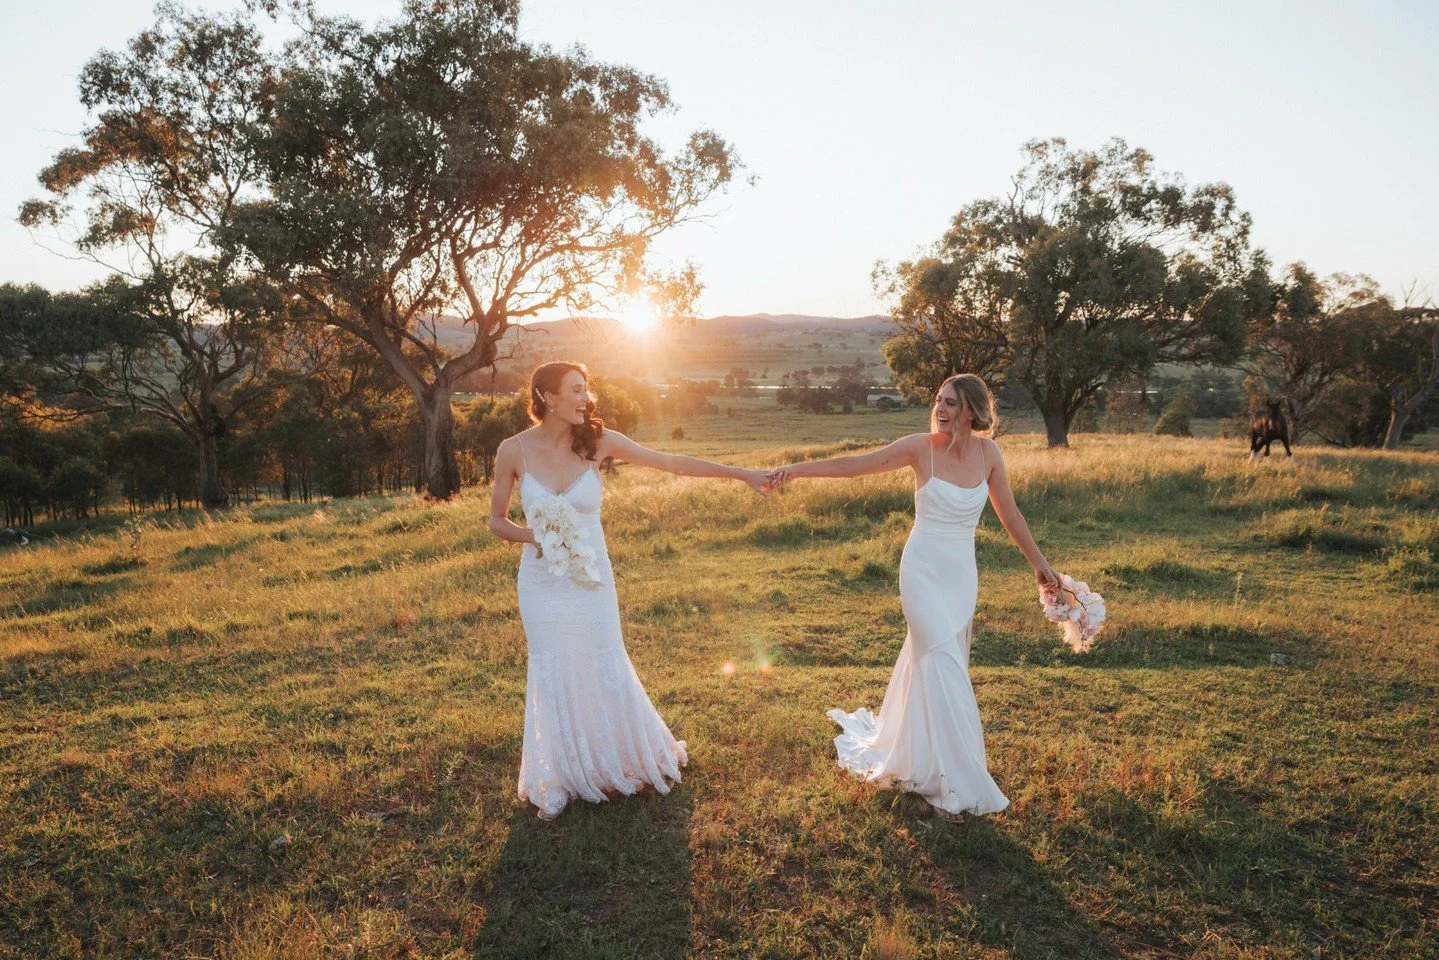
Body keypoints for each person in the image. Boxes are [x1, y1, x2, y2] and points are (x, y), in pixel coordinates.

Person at [766, 373, 1059, 820]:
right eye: (938, 401)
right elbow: (858, 464)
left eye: (951, 404)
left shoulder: (989, 454)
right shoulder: (919, 448)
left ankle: (918, 754)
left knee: (940, 665)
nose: (940, 409)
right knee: (943, 665)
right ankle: (954, 786)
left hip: (960, 576)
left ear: (973, 412)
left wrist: (1040, 565)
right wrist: (797, 471)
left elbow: (1011, 515)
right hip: (921, 571)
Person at [488, 361, 770, 820]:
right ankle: (562, 771)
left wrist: (743, 474)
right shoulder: (512, 450)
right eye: (576, 390)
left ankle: (614, 760)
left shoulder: (600, 442)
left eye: (587, 390)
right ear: (547, 398)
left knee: (602, 658)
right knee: (553, 665)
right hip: (541, 580)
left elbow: (673, 463)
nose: (586, 398)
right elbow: (496, 521)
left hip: (591, 579)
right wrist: (533, 536)